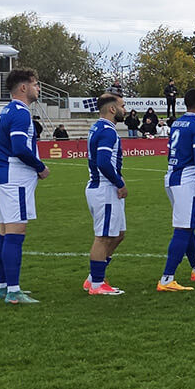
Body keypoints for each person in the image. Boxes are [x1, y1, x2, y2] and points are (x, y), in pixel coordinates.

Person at [0, 69, 49, 305]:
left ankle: (4, 286)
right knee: (15, 232)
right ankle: (13, 291)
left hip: (3, 175)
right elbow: (19, 147)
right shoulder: (21, 113)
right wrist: (39, 167)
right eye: (35, 84)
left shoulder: (6, 111)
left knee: (5, 232)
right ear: (23, 88)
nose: (38, 88)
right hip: (14, 178)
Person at [157, 88, 195, 292]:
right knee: (183, 228)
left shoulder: (177, 123)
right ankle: (166, 279)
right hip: (186, 178)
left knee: (188, 225)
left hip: (172, 175)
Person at [83, 92, 127, 296]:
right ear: (112, 109)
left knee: (118, 234)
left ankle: (93, 278)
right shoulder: (107, 131)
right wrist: (119, 183)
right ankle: (97, 284)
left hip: (100, 188)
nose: (124, 110)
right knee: (102, 237)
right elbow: (103, 162)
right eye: (122, 106)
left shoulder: (98, 128)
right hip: (105, 189)